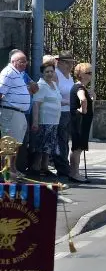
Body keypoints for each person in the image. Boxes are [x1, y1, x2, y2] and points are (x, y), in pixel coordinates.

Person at [0, 50, 37, 179]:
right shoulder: (9, 72)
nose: (25, 64)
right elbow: (0, 91)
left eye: (26, 61)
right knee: (9, 144)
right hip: (11, 113)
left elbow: (34, 89)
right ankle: (7, 174)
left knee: (16, 144)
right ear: (13, 62)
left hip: (19, 113)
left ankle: (12, 170)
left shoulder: (18, 74)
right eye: (22, 61)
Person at [29, 62, 62, 178]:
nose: (49, 73)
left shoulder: (53, 84)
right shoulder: (41, 85)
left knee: (49, 146)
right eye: (47, 71)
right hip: (44, 121)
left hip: (54, 121)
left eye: (51, 71)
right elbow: (36, 104)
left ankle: (45, 167)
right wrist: (35, 122)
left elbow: (58, 101)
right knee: (41, 145)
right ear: (42, 73)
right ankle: (36, 168)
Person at [68, 63, 94, 183]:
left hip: (79, 121)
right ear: (81, 75)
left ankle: (73, 172)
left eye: (91, 72)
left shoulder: (81, 87)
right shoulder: (79, 88)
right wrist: (83, 110)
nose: (90, 75)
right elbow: (82, 99)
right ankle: (75, 173)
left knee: (77, 147)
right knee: (77, 148)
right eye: (88, 73)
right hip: (80, 121)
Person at [53, 51, 75, 177]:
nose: (70, 65)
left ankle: (64, 165)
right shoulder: (56, 75)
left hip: (68, 112)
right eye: (67, 63)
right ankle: (62, 167)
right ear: (60, 62)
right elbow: (54, 95)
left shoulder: (69, 76)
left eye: (71, 63)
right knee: (60, 141)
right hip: (59, 112)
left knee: (65, 140)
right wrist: (69, 102)